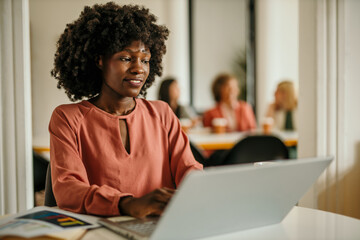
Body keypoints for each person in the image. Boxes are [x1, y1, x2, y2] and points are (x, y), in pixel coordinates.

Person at [49, 2, 202, 218]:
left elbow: (189, 170)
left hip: (161, 227)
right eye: (126, 58)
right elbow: (68, 189)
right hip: (103, 228)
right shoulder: (67, 118)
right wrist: (127, 204)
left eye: (145, 60)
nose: (139, 68)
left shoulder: (162, 113)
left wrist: (200, 191)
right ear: (100, 60)